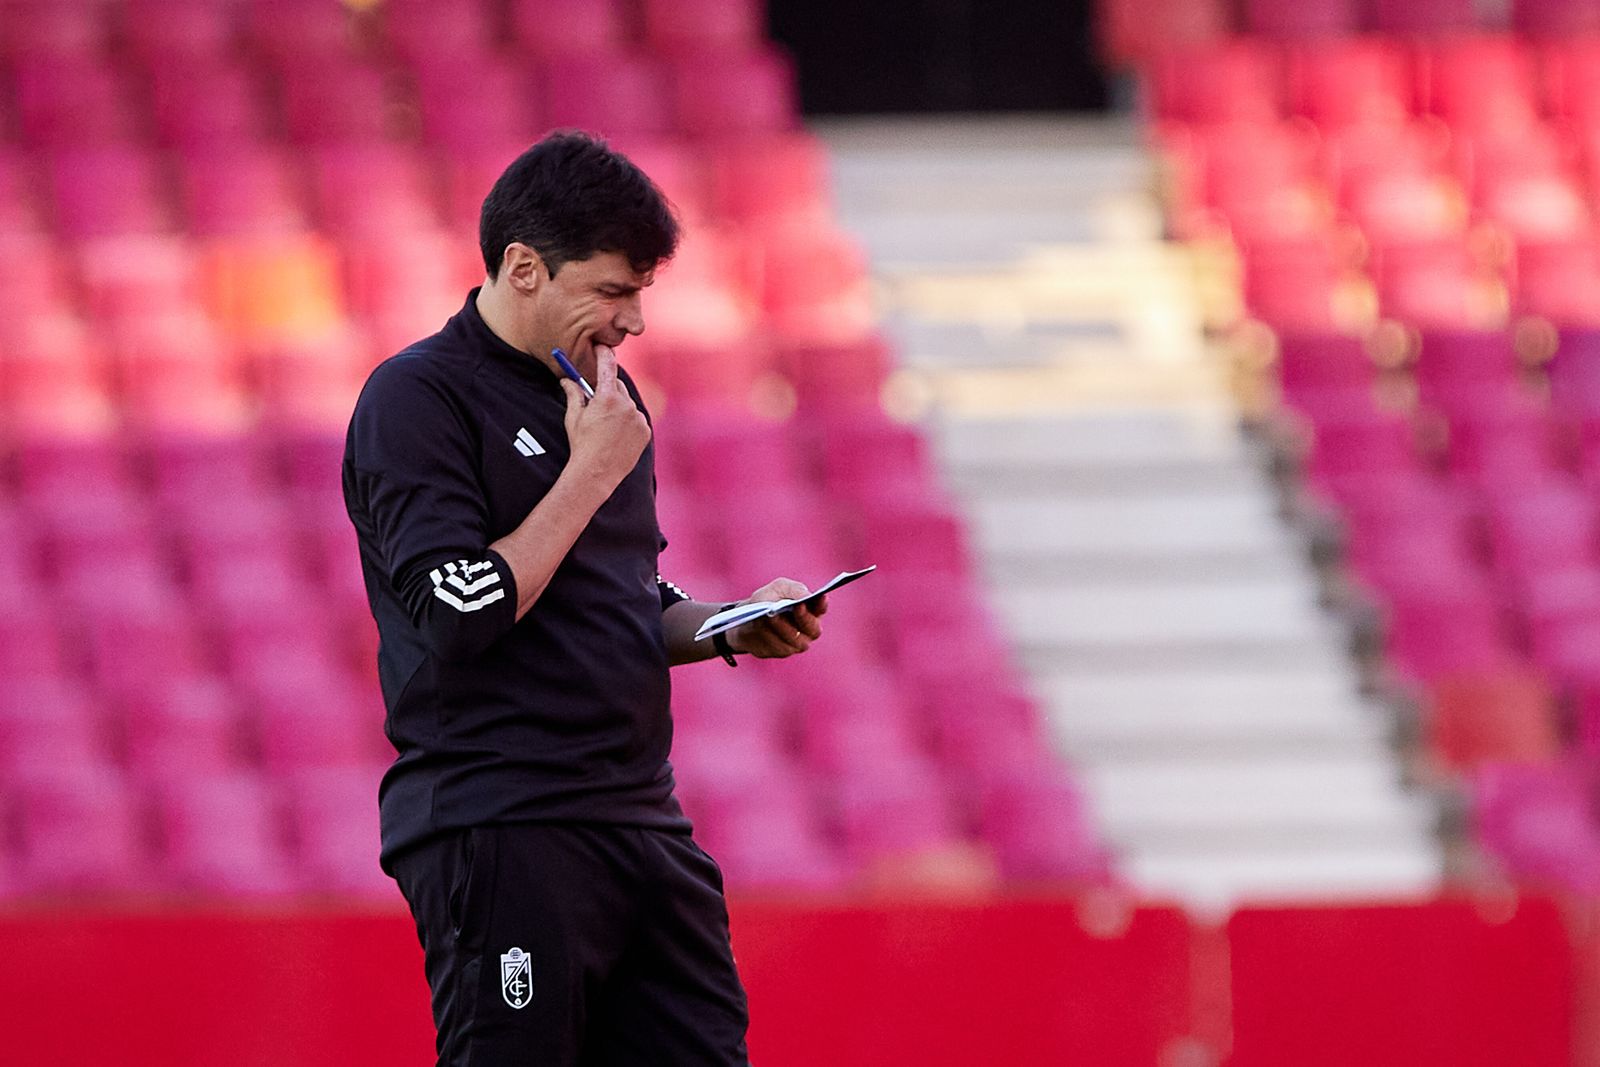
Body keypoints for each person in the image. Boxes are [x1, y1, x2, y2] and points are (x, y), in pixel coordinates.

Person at [342, 130, 828, 1066]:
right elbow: (460, 615)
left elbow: (624, 592)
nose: (634, 321)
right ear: (524, 267)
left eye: (641, 291)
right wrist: (590, 472)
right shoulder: (417, 400)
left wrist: (728, 625)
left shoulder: (606, 396)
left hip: (642, 820)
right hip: (507, 821)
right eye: (612, 290)